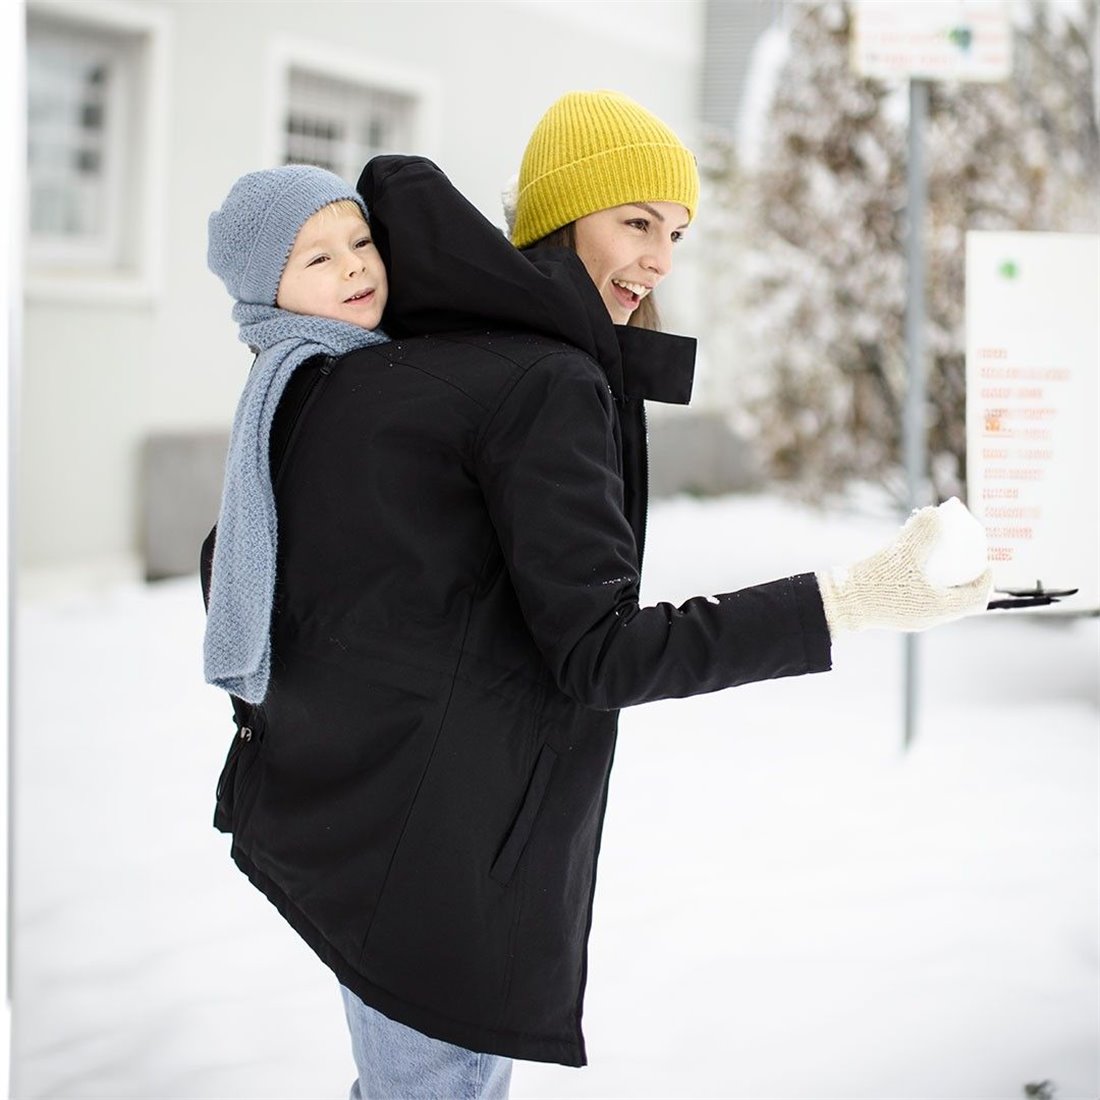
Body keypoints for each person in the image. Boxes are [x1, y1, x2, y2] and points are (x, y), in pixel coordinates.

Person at [204, 91, 992, 1099]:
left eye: (675, 231)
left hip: (371, 823)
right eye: (634, 220)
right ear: (560, 215)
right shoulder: (540, 380)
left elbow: (253, 561)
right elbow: (599, 653)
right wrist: (851, 596)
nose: (660, 257)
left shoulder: (415, 360)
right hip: (440, 857)